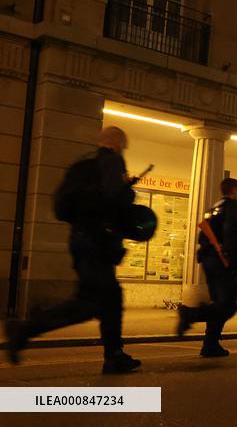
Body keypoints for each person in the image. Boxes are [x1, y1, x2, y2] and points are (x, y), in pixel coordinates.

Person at [4, 127, 142, 373]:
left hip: (79, 238)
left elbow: (64, 208)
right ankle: (25, 329)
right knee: (89, 303)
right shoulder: (113, 162)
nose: (123, 150)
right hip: (96, 241)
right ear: (116, 144)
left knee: (111, 298)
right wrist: (127, 190)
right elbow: (114, 199)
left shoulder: (83, 167)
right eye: (123, 146)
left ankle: (115, 355)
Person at [177, 177, 237, 357]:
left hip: (209, 260)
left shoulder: (213, 209)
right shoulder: (233, 206)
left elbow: (203, 237)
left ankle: (210, 344)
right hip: (222, 261)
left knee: (219, 303)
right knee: (228, 305)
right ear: (234, 189)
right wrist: (232, 259)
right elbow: (231, 233)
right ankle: (190, 314)